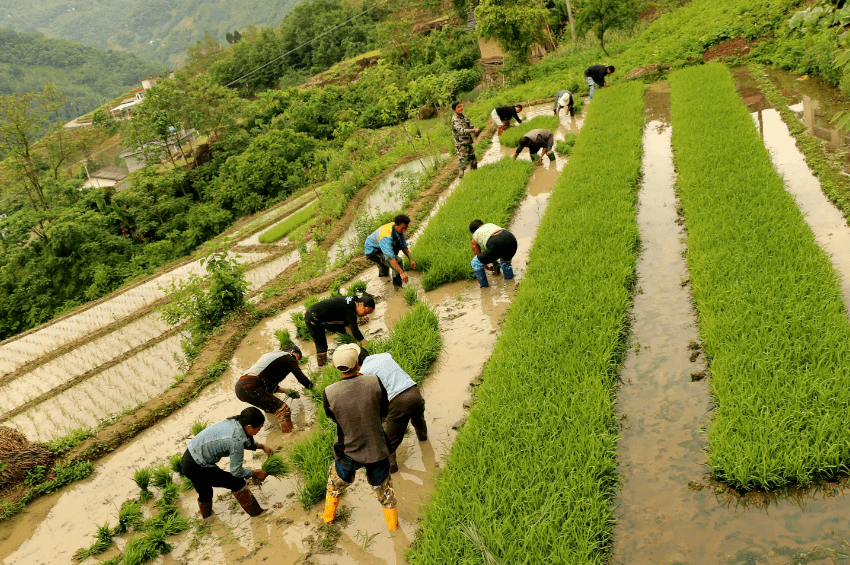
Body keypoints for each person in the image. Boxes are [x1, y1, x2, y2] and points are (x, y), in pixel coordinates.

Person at [321, 343, 398, 531]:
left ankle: (328, 518)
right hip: (377, 448)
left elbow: (333, 417)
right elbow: (384, 411)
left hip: (348, 450)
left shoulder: (329, 392)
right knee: (384, 492)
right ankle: (394, 528)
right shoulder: (374, 381)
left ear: (336, 367)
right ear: (357, 363)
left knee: (335, 485)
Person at [181, 407, 272, 519]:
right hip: (197, 465)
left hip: (188, 458)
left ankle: (208, 520)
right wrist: (255, 473)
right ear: (249, 426)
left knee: (205, 492)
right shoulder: (236, 440)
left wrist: (261, 446)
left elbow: (244, 439)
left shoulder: (236, 422)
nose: (258, 431)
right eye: (258, 428)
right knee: (236, 482)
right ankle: (258, 515)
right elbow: (236, 471)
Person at [358, 347, 427, 474]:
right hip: (414, 392)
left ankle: (392, 471)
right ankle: (425, 443)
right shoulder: (384, 355)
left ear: (356, 363)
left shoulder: (363, 373)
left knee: (388, 445)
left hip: (398, 402)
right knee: (419, 421)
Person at [235, 344, 313, 433]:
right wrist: (315, 390)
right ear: (292, 352)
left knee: (271, 409)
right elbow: (302, 378)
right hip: (250, 385)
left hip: (241, 387)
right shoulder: (287, 356)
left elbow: (267, 385)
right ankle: (289, 437)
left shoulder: (270, 356)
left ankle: (275, 432)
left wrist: (286, 390)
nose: (294, 362)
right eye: (295, 359)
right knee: (283, 410)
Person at [304, 295, 375, 367]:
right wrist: (365, 344)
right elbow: (355, 330)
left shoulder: (351, 302)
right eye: (366, 312)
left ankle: (324, 363)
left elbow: (348, 327)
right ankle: (322, 366)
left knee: (343, 326)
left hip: (315, 314)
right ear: (361, 304)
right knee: (322, 346)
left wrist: (357, 340)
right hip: (313, 317)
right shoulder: (350, 310)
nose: (365, 315)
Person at [364, 214, 417, 287]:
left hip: (379, 246)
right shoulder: (386, 236)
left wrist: (411, 260)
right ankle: (398, 288)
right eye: (402, 228)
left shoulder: (398, 229)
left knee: (385, 266)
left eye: (406, 228)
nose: (404, 230)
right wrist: (401, 273)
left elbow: (403, 246)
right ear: (396, 225)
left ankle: (384, 280)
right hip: (373, 251)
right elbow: (391, 258)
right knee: (398, 262)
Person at [469, 219, 518, 288]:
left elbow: (478, 253)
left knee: (475, 263)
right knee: (505, 263)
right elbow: (493, 249)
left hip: (495, 243)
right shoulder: (489, 225)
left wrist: (485, 265)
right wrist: (495, 263)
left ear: (473, 231)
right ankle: (510, 284)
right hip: (511, 239)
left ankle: (484, 288)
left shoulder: (475, 236)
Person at [451, 101, 481, 178]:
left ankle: (475, 176)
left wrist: (474, 128)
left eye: (461, 106)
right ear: (454, 110)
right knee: (463, 162)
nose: (461, 108)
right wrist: (472, 131)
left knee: (473, 160)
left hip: (468, 142)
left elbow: (469, 125)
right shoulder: (455, 120)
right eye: (458, 107)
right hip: (461, 144)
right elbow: (461, 131)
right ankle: (461, 179)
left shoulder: (464, 116)